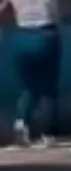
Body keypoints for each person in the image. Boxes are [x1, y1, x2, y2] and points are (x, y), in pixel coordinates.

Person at [2, 0, 62, 149]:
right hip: (46, 32)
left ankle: (21, 124)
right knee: (48, 87)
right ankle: (48, 133)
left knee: (28, 87)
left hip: (22, 35)